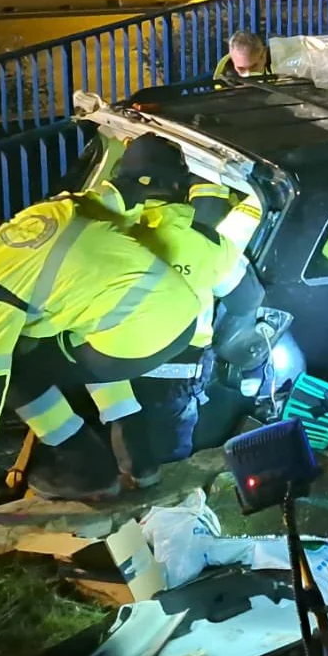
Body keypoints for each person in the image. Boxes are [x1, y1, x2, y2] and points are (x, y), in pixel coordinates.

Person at [0, 191, 201, 523]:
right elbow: (109, 202)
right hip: (182, 315)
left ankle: (86, 470)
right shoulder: (42, 215)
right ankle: (138, 458)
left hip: (135, 337)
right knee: (76, 336)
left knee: (14, 370)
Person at [109, 136, 248, 483]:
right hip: (173, 380)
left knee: (126, 457)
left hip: (110, 374)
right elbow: (247, 300)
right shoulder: (206, 243)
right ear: (178, 185)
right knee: (168, 475)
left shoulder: (106, 234)